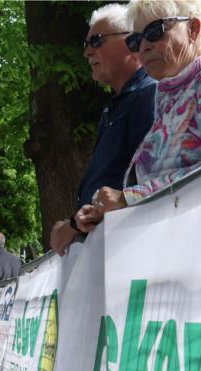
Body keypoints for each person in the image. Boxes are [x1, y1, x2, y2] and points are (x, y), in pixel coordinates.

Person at [76, 0, 201, 230]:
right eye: (135, 40)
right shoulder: (167, 99)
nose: (143, 47)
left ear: (193, 29)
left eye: (155, 31)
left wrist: (128, 198)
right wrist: (107, 214)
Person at [50, 3, 157, 256]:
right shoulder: (113, 108)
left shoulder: (149, 95)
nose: (87, 52)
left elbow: (146, 182)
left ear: (132, 44)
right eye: (86, 43)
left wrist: (75, 225)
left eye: (96, 41)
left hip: (131, 251)